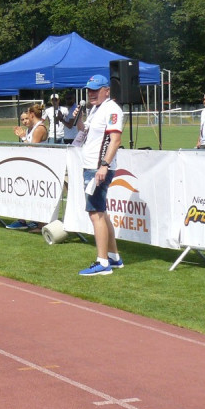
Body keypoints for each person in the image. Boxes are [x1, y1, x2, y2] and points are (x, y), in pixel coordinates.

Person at [77, 74, 125, 276]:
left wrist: (104, 165)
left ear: (107, 90)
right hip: (91, 166)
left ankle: (102, 262)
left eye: (95, 90)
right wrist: (78, 116)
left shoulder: (112, 109)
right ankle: (113, 257)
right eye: (89, 90)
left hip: (98, 167)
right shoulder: (95, 109)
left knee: (95, 213)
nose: (91, 93)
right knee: (101, 212)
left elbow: (115, 139)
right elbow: (84, 132)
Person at [7, 104, 47, 230]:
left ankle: (40, 224)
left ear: (31, 115)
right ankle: (26, 220)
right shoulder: (33, 128)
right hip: (31, 166)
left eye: (27, 117)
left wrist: (23, 137)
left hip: (38, 166)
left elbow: (32, 148)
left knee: (37, 195)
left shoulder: (39, 128)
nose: (25, 121)